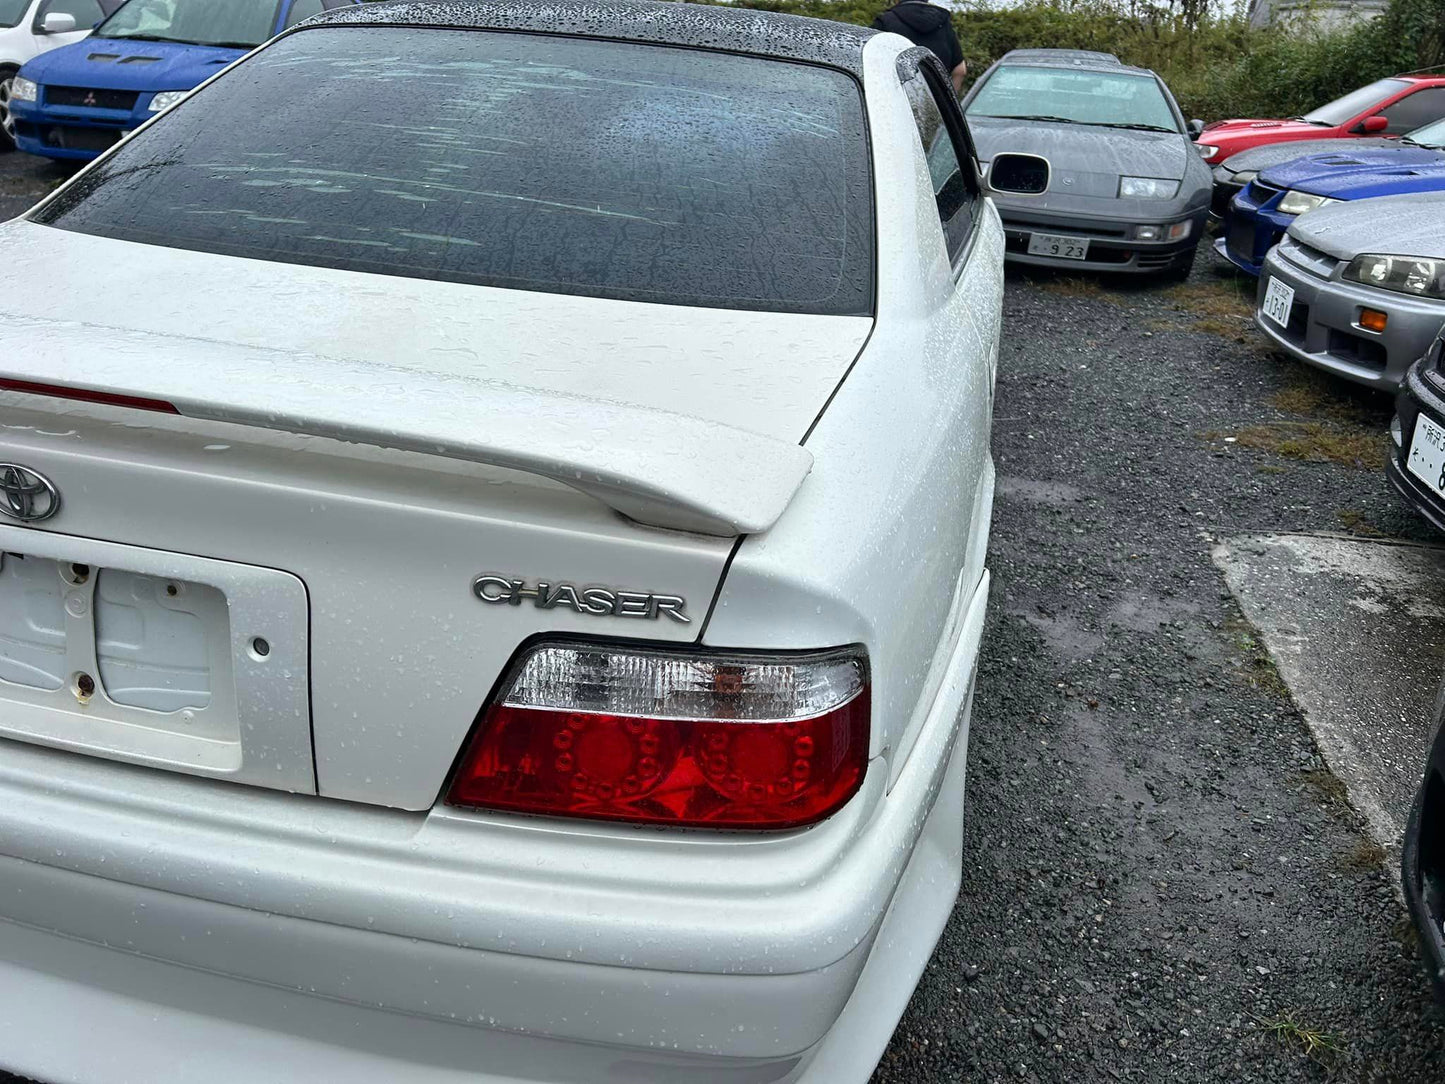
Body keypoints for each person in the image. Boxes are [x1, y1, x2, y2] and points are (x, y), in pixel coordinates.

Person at [871, 0, 968, 95]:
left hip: (894, 101)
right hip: (933, 105)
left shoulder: (884, 22)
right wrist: (947, 103)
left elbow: (869, 63)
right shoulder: (944, 24)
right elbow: (960, 70)